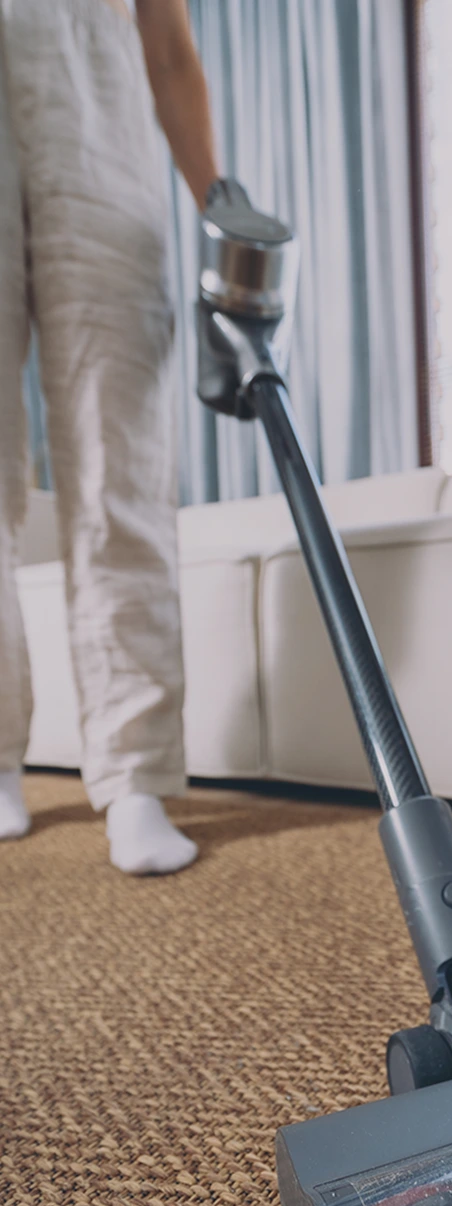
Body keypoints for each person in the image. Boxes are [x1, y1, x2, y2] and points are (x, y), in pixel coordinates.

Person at [0, 0, 219, 873]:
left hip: (95, 108)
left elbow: (168, 50)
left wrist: (217, 202)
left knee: (118, 455)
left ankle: (135, 776)